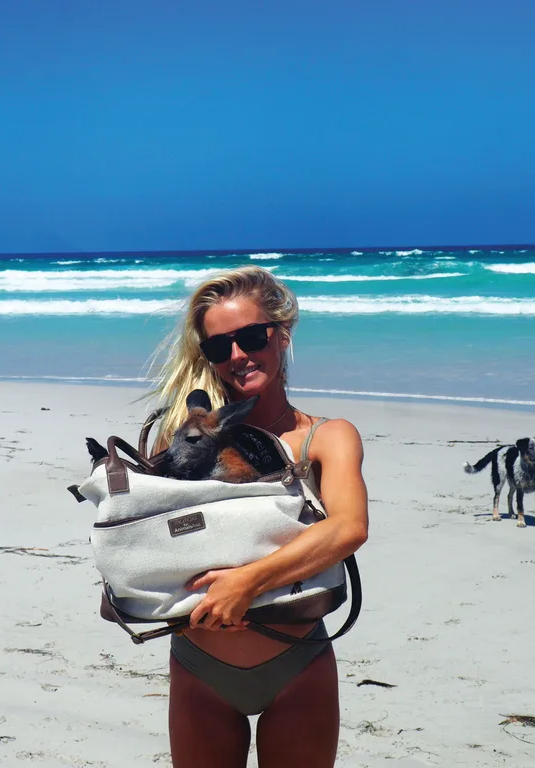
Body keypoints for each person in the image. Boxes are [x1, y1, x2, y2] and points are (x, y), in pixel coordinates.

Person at [146, 265, 369, 768]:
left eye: (251, 337)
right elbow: (156, 537)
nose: (237, 356)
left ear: (281, 334)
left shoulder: (326, 437)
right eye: (218, 347)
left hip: (297, 665)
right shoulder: (183, 439)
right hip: (199, 666)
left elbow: (349, 527)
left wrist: (245, 583)